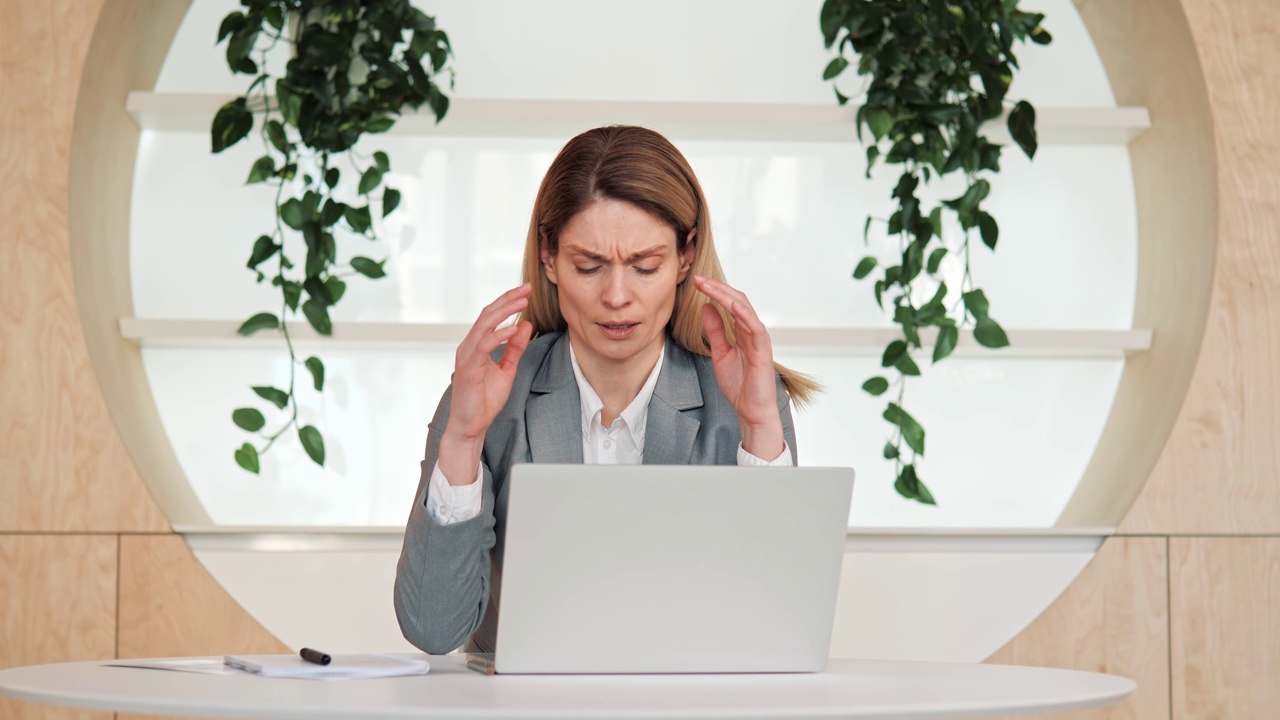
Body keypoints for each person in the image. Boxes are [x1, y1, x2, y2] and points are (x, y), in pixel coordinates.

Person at [393, 125, 819, 655]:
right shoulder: (492, 393)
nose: (617, 296)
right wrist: (462, 440)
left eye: (645, 267)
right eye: (588, 266)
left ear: (686, 256)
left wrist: (759, 428)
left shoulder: (742, 396)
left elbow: (775, 625)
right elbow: (434, 630)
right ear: (548, 257)